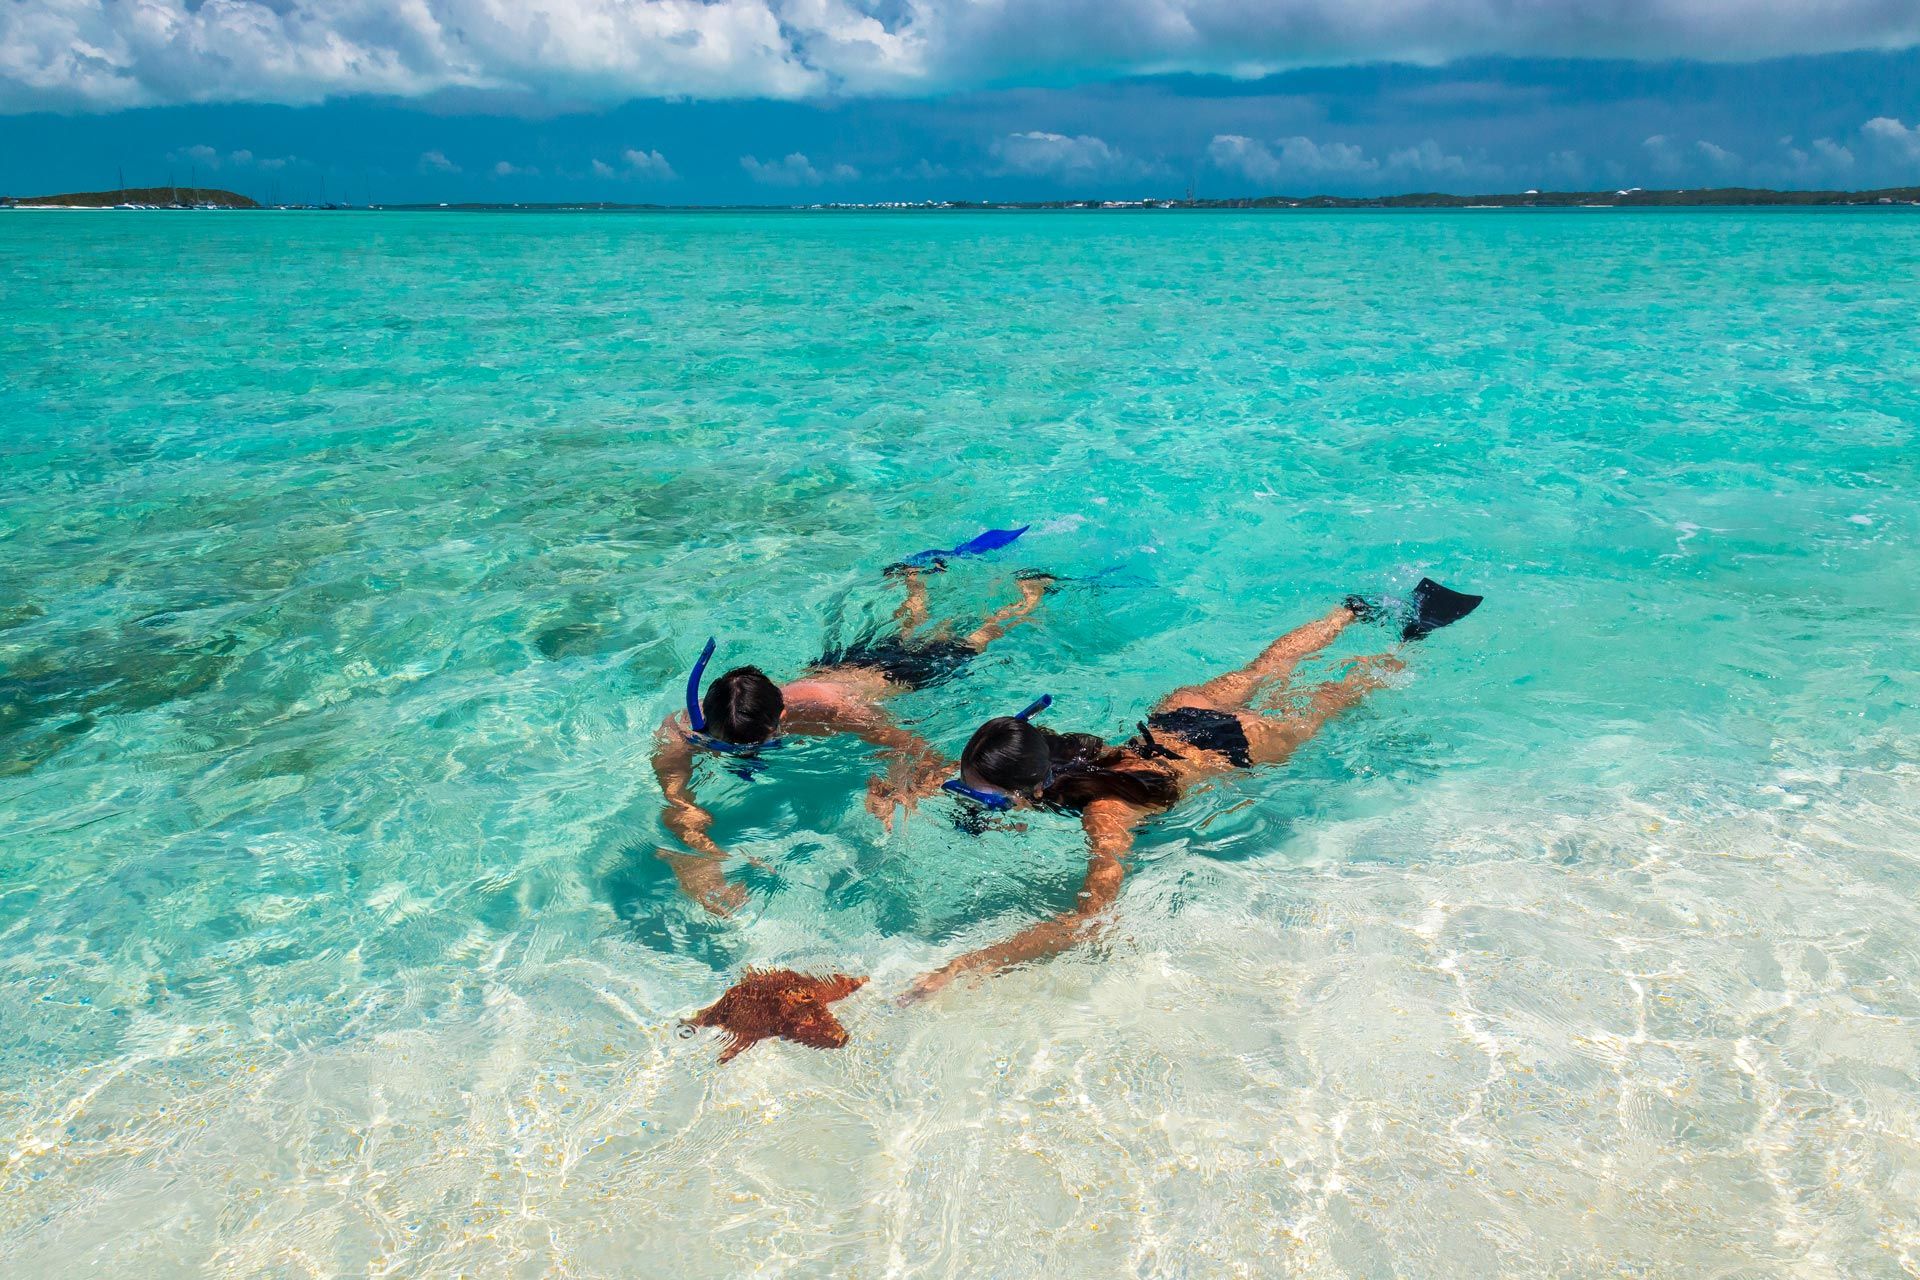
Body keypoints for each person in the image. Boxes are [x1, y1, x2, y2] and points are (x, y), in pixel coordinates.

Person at [902, 578, 1482, 1002]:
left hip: (1239, 748)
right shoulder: (1046, 751)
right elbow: (951, 773)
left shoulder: (1105, 815)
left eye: (984, 796)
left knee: (1335, 697)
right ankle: (1351, 610)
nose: (973, 798)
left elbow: (1084, 922)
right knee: (1261, 669)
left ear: (1027, 788)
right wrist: (903, 786)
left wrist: (965, 967)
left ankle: (1409, 641)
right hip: (1177, 717)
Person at [652, 566, 1054, 914]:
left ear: (784, 718)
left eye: (764, 745)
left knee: (975, 640)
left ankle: (1029, 594)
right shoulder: (688, 726)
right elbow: (675, 795)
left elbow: (904, 743)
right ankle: (916, 581)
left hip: (900, 677)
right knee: (907, 628)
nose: (750, 756)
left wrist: (897, 784)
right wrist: (697, 851)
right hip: (837, 668)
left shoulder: (831, 709)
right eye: (730, 747)